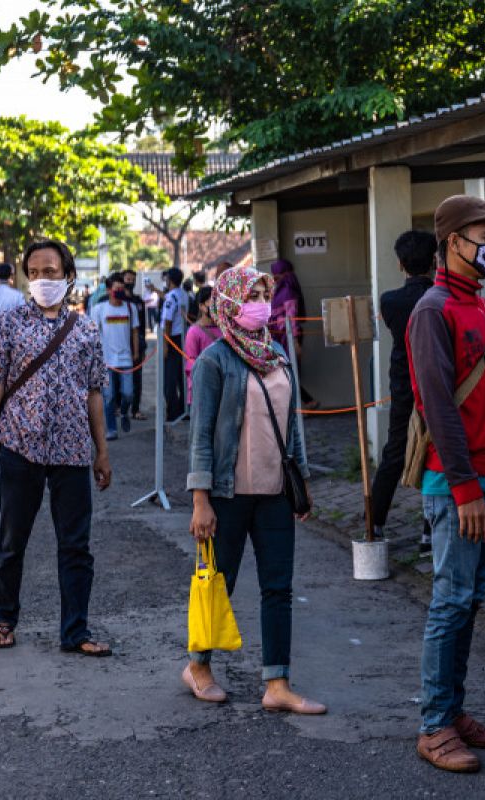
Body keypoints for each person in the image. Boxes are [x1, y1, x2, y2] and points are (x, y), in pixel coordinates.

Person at [409, 196, 485, 773]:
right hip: (460, 486)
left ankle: (452, 713)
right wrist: (467, 487)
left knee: (469, 602)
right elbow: (439, 409)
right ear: (452, 240)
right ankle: (434, 726)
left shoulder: (479, 303)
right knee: (450, 604)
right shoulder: (434, 311)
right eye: (484, 237)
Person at [0, 239, 113, 657]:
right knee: (13, 538)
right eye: (35, 272)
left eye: (51, 271)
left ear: (68, 275)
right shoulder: (8, 324)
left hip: (72, 453)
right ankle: (4, 618)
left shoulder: (85, 328)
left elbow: (94, 394)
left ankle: (76, 631)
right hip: (19, 447)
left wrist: (101, 451)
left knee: (76, 545)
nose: (43, 279)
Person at [184, 266, 323, 713]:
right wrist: (200, 500)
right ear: (227, 303)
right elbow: (201, 435)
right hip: (227, 495)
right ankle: (198, 667)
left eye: (264, 293)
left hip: (276, 494)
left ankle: (277, 684)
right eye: (250, 295)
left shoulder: (278, 353)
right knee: (215, 583)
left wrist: (301, 482)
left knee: (277, 588)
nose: (260, 302)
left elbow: (292, 427)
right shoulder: (214, 361)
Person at [370, 231, 436, 553]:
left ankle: (375, 524)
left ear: (400, 264)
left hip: (402, 383)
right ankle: (429, 533)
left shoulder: (390, 301)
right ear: (435, 261)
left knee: (395, 450)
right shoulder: (441, 297)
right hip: (436, 382)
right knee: (436, 453)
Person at [90, 273, 140, 440]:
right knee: (109, 396)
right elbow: (93, 335)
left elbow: (134, 331)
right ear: (109, 290)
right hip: (106, 361)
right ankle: (111, 429)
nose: (120, 291)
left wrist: (136, 352)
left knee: (128, 394)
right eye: (116, 289)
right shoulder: (99, 309)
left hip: (126, 359)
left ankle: (125, 412)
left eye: (122, 288)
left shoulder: (130, 308)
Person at [269, 258, 318, 409]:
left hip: (288, 337)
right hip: (279, 337)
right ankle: (306, 403)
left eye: (276, 275)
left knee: (288, 373)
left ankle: (306, 403)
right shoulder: (279, 291)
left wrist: (295, 341)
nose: (274, 278)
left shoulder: (288, 292)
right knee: (284, 372)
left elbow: (292, 318)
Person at [183, 285, 222, 406]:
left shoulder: (224, 328)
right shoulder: (194, 331)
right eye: (211, 302)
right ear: (201, 306)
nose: (215, 306)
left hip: (223, 389)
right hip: (202, 391)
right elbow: (191, 363)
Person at [161, 267, 189, 420]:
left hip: (172, 338)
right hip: (182, 338)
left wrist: (165, 345)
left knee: (169, 380)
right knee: (181, 377)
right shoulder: (183, 294)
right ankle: (183, 409)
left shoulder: (171, 297)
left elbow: (168, 322)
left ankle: (173, 412)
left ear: (169, 280)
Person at [122, 268, 149, 421]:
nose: (130, 282)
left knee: (137, 378)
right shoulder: (118, 302)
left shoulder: (138, 301)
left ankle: (136, 409)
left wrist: (142, 345)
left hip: (137, 344)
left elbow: (142, 326)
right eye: (127, 279)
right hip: (121, 344)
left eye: (132, 280)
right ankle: (120, 407)